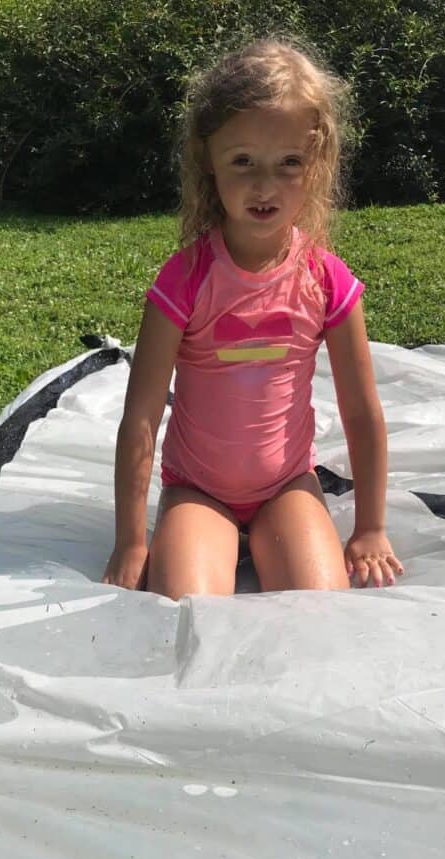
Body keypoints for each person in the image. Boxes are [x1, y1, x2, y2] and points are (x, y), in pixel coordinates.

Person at [102, 36, 404, 599]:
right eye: (243, 162)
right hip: (198, 491)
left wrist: (370, 528)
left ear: (317, 165)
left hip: (287, 488)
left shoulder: (326, 280)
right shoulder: (185, 280)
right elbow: (140, 416)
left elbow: (361, 410)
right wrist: (130, 540)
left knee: (318, 608)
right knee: (186, 608)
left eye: (289, 163)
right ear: (208, 161)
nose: (265, 185)